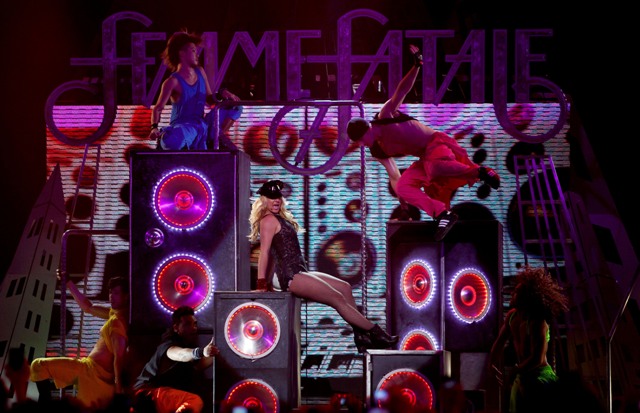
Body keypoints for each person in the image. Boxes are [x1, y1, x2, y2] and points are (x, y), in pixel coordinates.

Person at [347, 44, 501, 241]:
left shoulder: (384, 116)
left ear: (367, 130)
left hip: (436, 144)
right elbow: (394, 175)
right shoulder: (377, 149)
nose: (361, 145)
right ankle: (442, 214)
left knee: (434, 168)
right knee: (404, 186)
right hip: (424, 158)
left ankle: (480, 172)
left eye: (361, 140)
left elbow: (401, 92)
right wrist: (403, 200)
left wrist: (417, 66)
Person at [248, 179, 398, 353]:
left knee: (345, 287)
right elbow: (265, 253)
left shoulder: (279, 218)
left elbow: (274, 252)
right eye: (271, 197)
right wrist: (262, 284)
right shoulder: (267, 221)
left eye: (278, 197)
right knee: (336, 298)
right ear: (263, 200)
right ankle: (375, 332)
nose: (276, 201)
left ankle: (360, 336)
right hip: (288, 276)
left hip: (298, 270)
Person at [30, 275, 129, 411]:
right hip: (88, 371)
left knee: (39, 366)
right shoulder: (114, 314)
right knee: (39, 366)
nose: (112, 296)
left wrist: (118, 392)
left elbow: (119, 358)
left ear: (126, 297)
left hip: (92, 373)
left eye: (116, 293)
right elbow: (88, 307)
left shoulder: (118, 322)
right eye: (110, 292)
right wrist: (68, 282)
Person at [488, 266, 569, 413]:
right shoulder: (512, 316)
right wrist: (492, 363)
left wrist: (514, 371)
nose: (512, 294)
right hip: (523, 376)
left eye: (517, 292)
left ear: (527, 296)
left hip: (540, 377)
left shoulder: (538, 322)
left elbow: (537, 359)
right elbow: (499, 343)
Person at [149, 30, 242, 151]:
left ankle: (214, 138)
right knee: (173, 141)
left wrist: (222, 93)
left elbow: (209, 100)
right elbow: (157, 108)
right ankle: (169, 136)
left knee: (236, 106)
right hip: (184, 127)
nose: (197, 54)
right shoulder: (172, 81)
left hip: (202, 124)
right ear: (181, 53)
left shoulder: (200, 71)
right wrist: (154, 128)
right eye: (193, 50)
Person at [132, 305, 219, 413]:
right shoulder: (168, 345)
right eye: (187, 324)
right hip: (146, 394)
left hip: (155, 398)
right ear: (176, 328)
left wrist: (218, 346)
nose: (194, 328)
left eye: (195, 324)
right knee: (194, 401)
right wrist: (201, 352)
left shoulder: (187, 346)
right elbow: (180, 354)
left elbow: (199, 365)